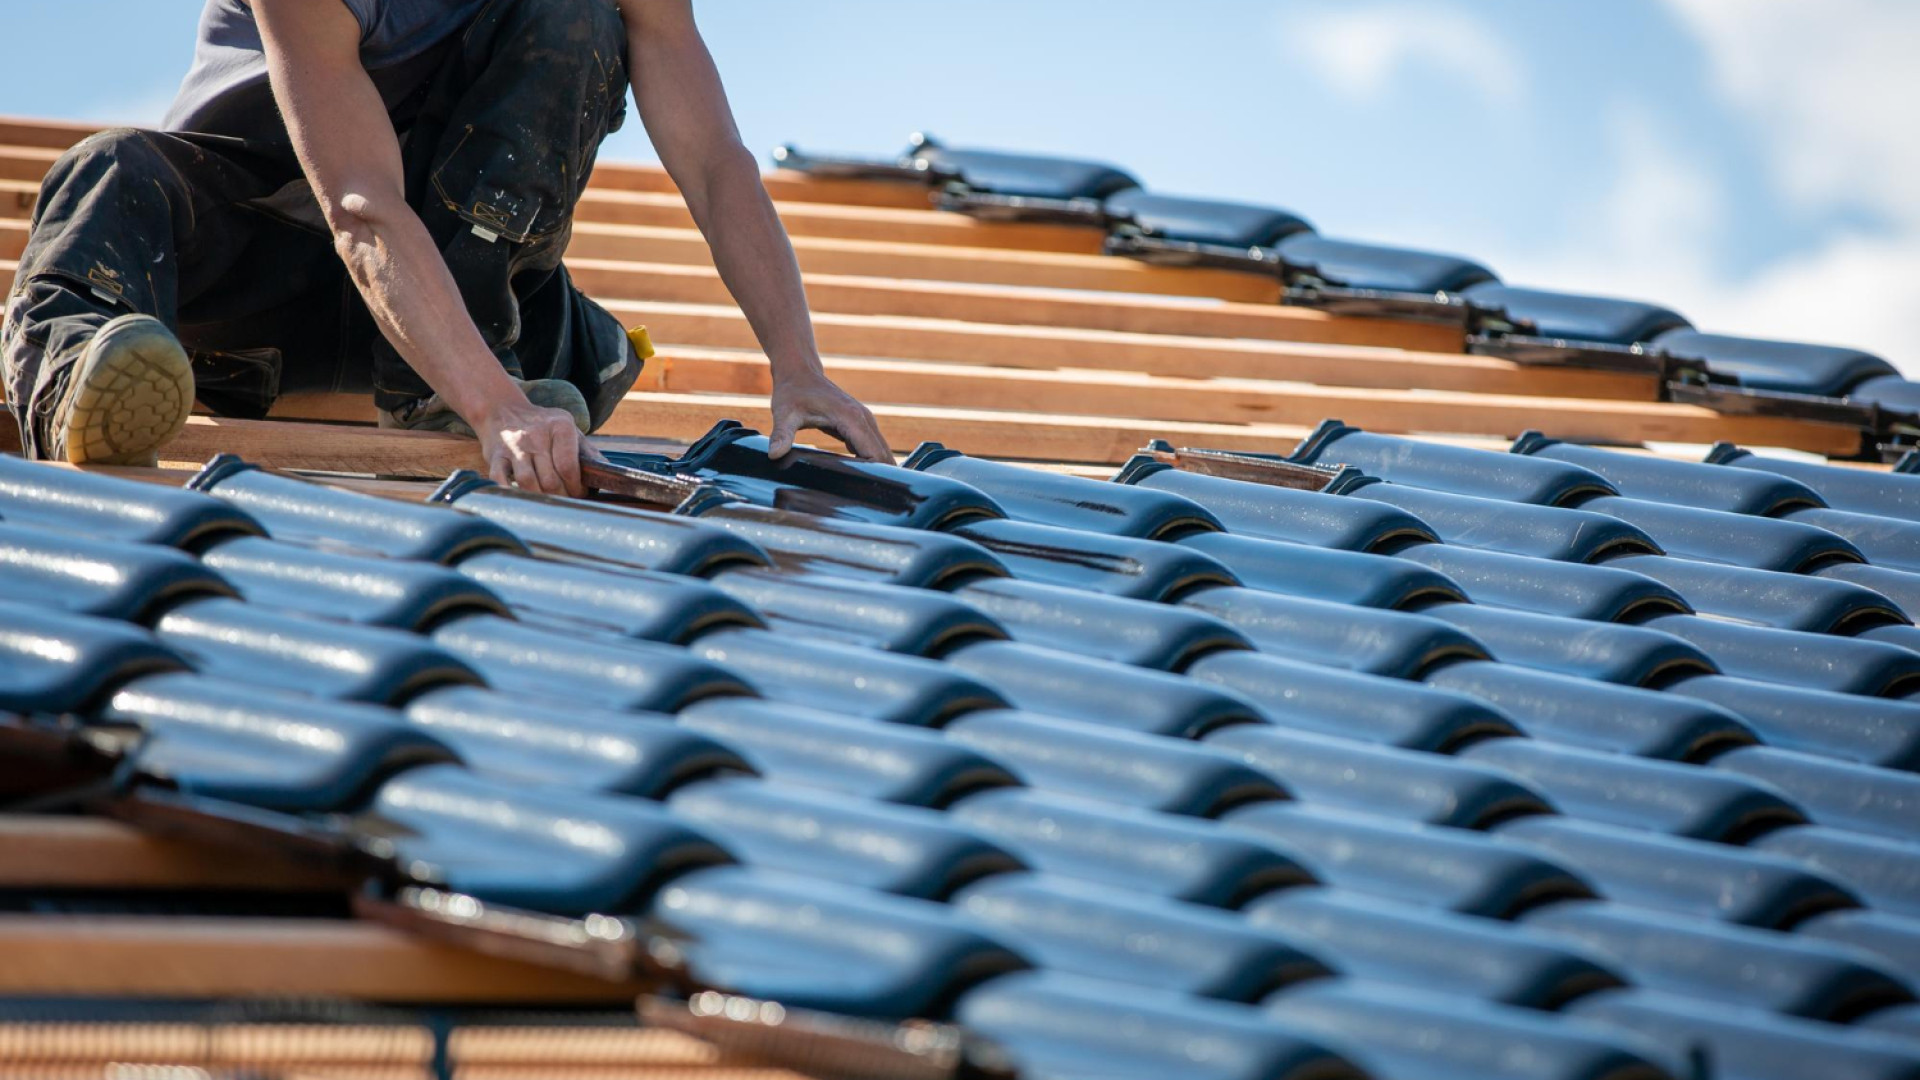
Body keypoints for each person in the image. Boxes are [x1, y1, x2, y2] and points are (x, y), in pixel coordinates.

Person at [1, 0, 891, 494]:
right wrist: (498, 407)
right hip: (260, 282)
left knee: (576, 18)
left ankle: (449, 378)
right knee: (106, 175)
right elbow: (358, 205)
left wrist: (797, 363)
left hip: (472, 299)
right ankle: (81, 374)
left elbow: (715, 161)